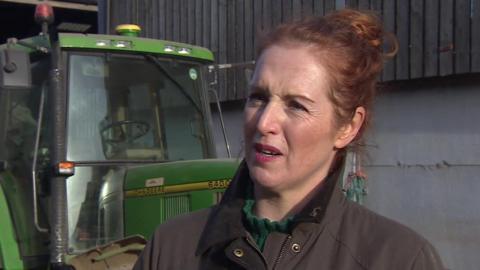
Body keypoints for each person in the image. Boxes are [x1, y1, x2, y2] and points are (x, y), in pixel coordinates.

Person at [133, 9, 445, 270]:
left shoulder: (398, 259)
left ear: (348, 127)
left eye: (296, 105)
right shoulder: (171, 248)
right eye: (258, 97)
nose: (265, 122)